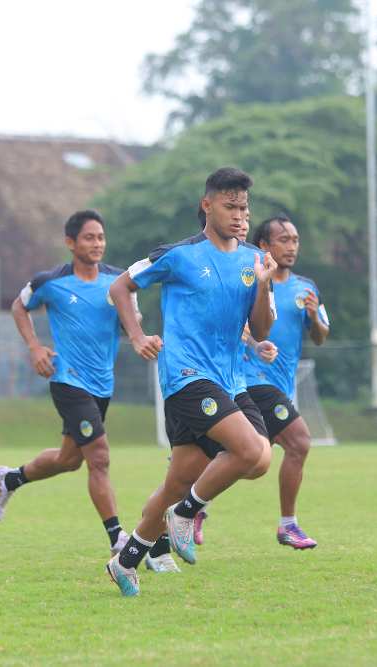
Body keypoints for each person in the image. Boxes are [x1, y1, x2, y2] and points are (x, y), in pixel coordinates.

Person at [104, 167, 277, 596]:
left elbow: (263, 328)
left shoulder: (253, 261)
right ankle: (187, 514)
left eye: (245, 208)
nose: (240, 216)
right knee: (251, 449)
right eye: (230, 206)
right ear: (208, 205)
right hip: (187, 377)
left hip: (230, 380)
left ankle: (125, 561)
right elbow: (121, 286)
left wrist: (264, 285)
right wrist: (138, 335)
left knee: (245, 464)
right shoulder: (179, 255)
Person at [0, 210, 135, 556]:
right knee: (99, 457)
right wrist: (35, 346)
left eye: (100, 237)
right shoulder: (50, 282)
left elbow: (131, 318)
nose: (97, 244)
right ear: (70, 243)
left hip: (102, 384)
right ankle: (117, 538)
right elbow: (18, 306)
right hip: (67, 380)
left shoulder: (117, 281)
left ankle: (10, 478)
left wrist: (138, 329)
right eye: (89, 237)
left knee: (70, 459)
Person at [197, 215, 330, 549]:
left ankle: (195, 502)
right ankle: (288, 525)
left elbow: (321, 337)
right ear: (264, 246)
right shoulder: (250, 279)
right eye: (283, 239)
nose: (291, 246)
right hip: (250, 380)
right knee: (299, 442)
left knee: (251, 461)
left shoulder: (306, 288)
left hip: (281, 386)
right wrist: (254, 344)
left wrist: (314, 316)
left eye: (295, 240)